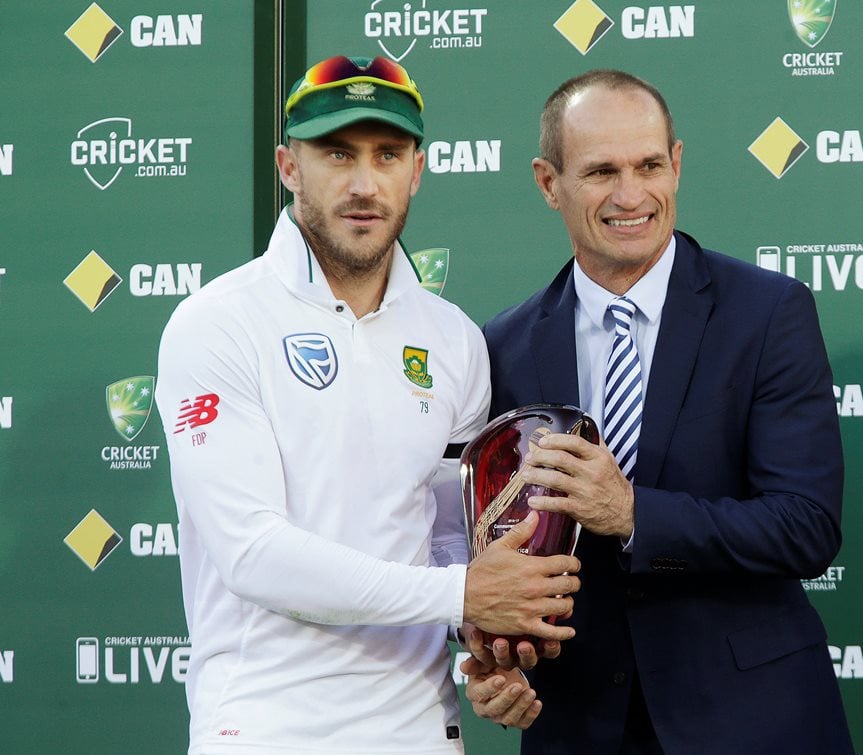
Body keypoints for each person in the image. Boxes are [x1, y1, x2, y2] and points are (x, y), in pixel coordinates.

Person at [154, 53, 579, 754]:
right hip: (264, 731)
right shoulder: (217, 321)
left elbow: (448, 544)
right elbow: (253, 553)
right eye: (336, 153)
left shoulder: (454, 340)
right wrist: (462, 596)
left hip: (417, 731)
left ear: (416, 170)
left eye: (387, 155)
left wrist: (489, 648)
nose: (363, 183)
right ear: (289, 166)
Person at [463, 69, 855, 753]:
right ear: (547, 182)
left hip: (751, 721)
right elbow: (492, 550)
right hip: (578, 724)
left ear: (676, 164)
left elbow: (806, 525)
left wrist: (634, 512)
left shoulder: (768, 314)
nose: (630, 194)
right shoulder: (502, 346)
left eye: (649, 164)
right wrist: (497, 659)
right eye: (600, 171)